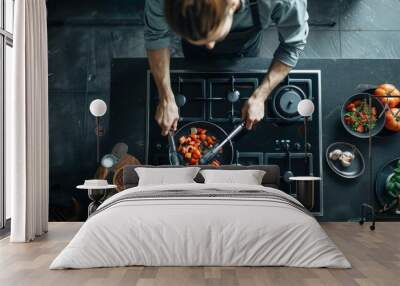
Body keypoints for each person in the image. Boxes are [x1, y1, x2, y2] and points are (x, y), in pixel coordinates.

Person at [145, 0, 309, 135]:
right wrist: (165, 97)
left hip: (245, 50)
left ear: (232, 4)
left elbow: (292, 46)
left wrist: (261, 95)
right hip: (193, 55)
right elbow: (156, 37)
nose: (209, 46)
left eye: (213, 36)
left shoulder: (283, 2)